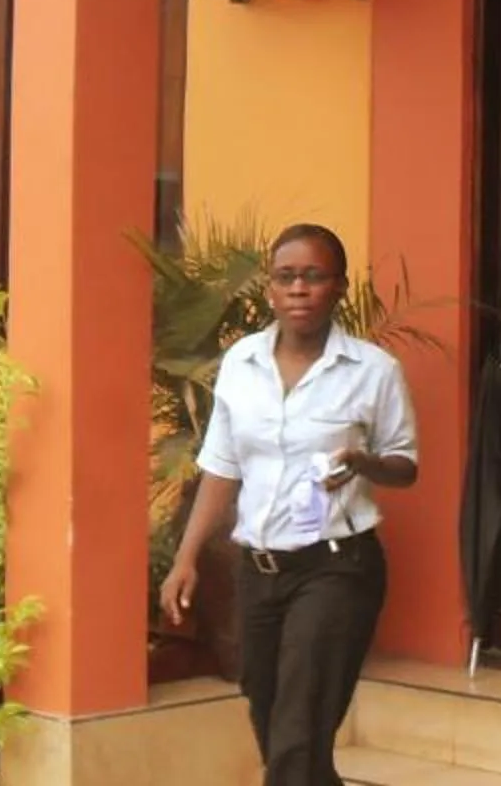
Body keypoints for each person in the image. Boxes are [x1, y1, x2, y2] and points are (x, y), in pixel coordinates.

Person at [161, 224, 418, 786]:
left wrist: (362, 461)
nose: (298, 289)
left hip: (335, 567)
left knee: (297, 733)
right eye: (286, 277)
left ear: (339, 288)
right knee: (272, 717)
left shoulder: (373, 371)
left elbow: (405, 465)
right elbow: (221, 468)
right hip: (258, 571)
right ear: (271, 290)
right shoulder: (241, 364)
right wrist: (185, 560)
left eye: (313, 276)